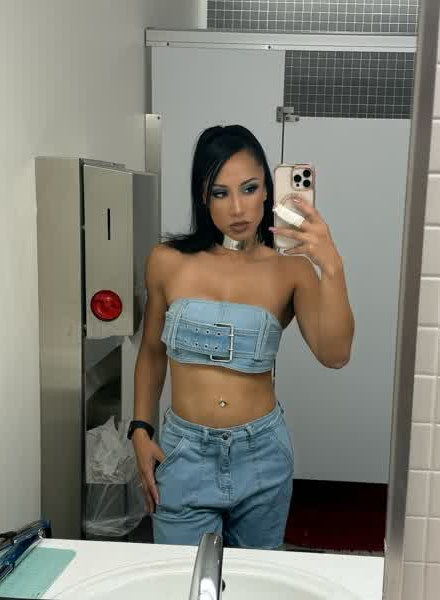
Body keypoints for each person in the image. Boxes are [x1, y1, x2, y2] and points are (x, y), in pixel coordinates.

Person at [130, 124, 354, 549]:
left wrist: (332, 265)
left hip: (262, 455)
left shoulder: (291, 269)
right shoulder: (166, 261)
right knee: (183, 578)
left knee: (255, 579)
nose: (237, 208)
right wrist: (140, 429)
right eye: (220, 193)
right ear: (202, 196)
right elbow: (153, 352)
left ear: (268, 189)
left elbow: (336, 354)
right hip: (184, 454)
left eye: (249, 188)